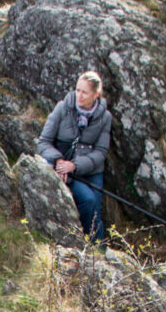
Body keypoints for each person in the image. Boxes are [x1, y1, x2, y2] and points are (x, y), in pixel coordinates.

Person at [36, 71, 112, 244]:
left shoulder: (105, 117)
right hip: (65, 170)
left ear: (96, 95)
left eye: (85, 92)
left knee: (95, 210)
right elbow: (44, 142)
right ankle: (81, 243)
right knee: (88, 199)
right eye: (77, 90)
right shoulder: (62, 108)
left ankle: (98, 250)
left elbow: (101, 152)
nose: (79, 95)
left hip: (91, 171)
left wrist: (75, 165)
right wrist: (59, 161)